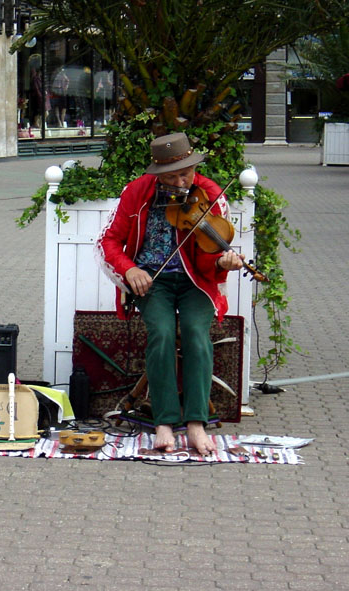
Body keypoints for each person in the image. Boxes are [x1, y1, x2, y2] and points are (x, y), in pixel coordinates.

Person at [96, 132, 244, 455]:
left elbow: (212, 254)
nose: (182, 181)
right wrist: (130, 270)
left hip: (197, 282)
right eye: (173, 175)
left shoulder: (212, 195)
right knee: (161, 332)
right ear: (158, 174)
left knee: (195, 332)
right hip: (153, 281)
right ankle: (164, 421)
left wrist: (223, 260)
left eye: (186, 172)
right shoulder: (136, 192)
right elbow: (107, 241)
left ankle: (195, 424)